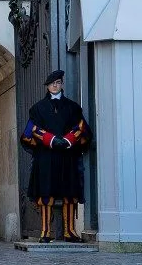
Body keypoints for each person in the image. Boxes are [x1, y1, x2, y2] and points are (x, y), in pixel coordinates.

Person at [20, 70, 91, 243]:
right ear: (47, 86)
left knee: (70, 193)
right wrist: (50, 140)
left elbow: (82, 128)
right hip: (46, 158)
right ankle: (45, 232)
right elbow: (29, 133)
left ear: (62, 84)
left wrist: (68, 140)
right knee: (45, 194)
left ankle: (70, 231)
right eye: (52, 83)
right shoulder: (37, 109)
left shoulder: (73, 107)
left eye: (58, 83)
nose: (55, 86)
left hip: (68, 156)